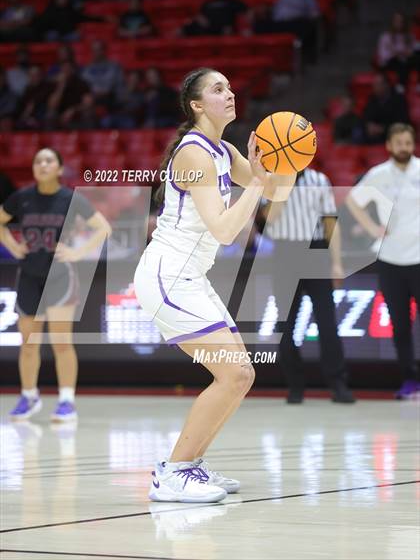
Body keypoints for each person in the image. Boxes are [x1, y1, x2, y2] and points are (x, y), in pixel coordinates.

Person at [134, 67, 296, 503]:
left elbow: (277, 196)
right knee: (234, 372)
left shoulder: (222, 150)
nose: (230, 93)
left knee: (241, 376)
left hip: (190, 277)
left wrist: (291, 161)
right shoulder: (194, 155)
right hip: (167, 275)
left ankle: (191, 467)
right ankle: (174, 471)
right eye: (218, 89)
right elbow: (226, 230)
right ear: (197, 105)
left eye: (230, 85)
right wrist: (259, 182)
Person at [0, 148, 112, 421]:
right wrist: (14, 248)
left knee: (61, 342)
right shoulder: (22, 198)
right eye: (38, 160)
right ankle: (29, 396)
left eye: (49, 160)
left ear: (60, 169)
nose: (43, 164)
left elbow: (103, 228)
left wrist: (76, 253)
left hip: (59, 276)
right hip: (28, 275)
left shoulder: (70, 198)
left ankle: (66, 401)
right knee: (28, 343)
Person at [262, 167, 355, 404]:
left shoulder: (320, 179)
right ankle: (295, 386)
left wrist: (336, 263)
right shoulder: (271, 178)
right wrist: (283, 184)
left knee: (327, 322)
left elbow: (330, 222)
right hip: (284, 253)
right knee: (285, 325)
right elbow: (270, 217)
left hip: (316, 252)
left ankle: (337, 383)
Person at [346, 123, 420, 399]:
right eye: (399, 143)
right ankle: (410, 379)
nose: (404, 148)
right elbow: (353, 200)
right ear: (389, 145)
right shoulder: (378, 175)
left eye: (408, 143)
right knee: (400, 325)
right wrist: (370, 227)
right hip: (389, 259)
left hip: (419, 257)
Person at [362, 72, 410, 144]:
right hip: (374, 135)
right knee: (358, 133)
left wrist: (382, 129)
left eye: (378, 84)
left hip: (392, 134)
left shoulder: (398, 99)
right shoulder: (372, 99)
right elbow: (365, 116)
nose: (375, 87)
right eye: (374, 84)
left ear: (386, 85)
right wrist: (369, 125)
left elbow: (402, 122)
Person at [376, 12, 416, 89]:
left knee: (412, 60)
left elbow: (411, 52)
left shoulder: (409, 37)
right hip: (390, 62)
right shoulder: (385, 37)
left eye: (401, 21)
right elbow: (383, 56)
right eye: (396, 21)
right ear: (392, 22)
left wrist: (399, 52)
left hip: (406, 62)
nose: (399, 23)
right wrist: (397, 53)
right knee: (400, 62)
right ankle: (400, 88)